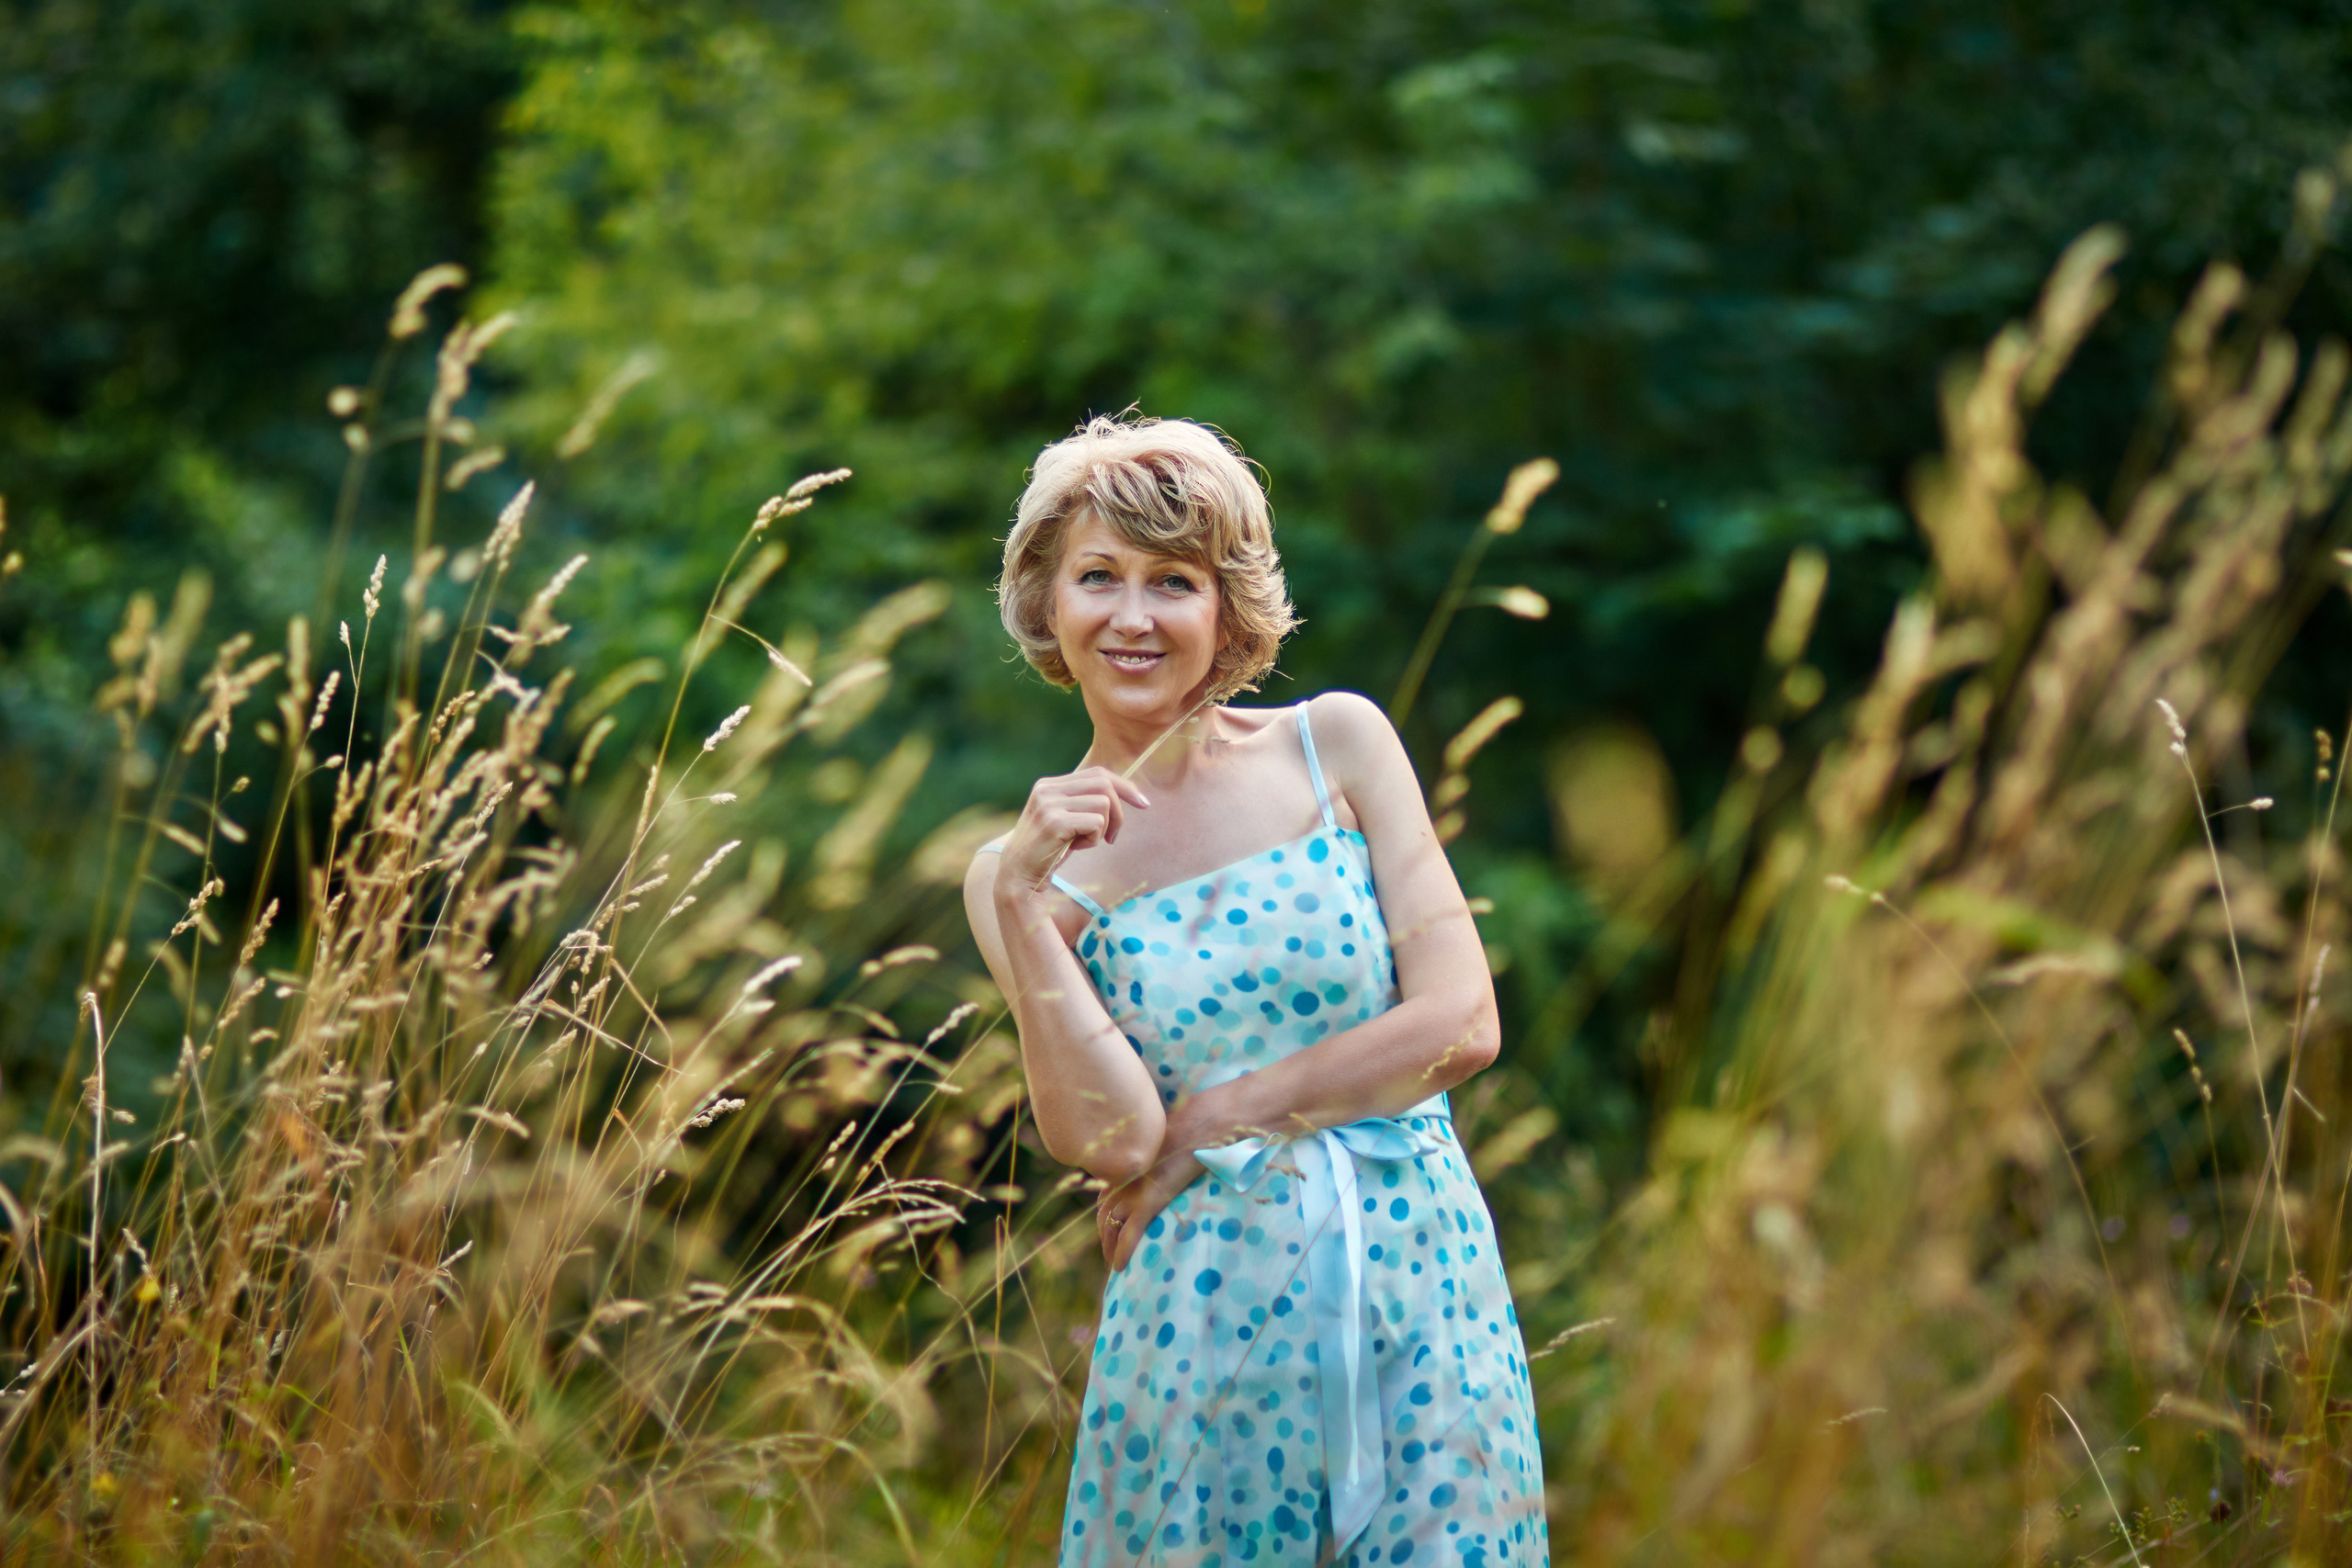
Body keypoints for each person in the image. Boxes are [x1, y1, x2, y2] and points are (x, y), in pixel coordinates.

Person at [966, 414, 1548, 1567]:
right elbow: (1114, 1141)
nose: (1133, 617)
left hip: (1415, 1273)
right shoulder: (1017, 873)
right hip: (1199, 1311)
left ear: (1226, 608)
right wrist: (1028, 911)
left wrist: (1225, 1114)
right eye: (1099, 578)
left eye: (1172, 581)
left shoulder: (1335, 746)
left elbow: (1462, 1024)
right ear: (1047, 604)